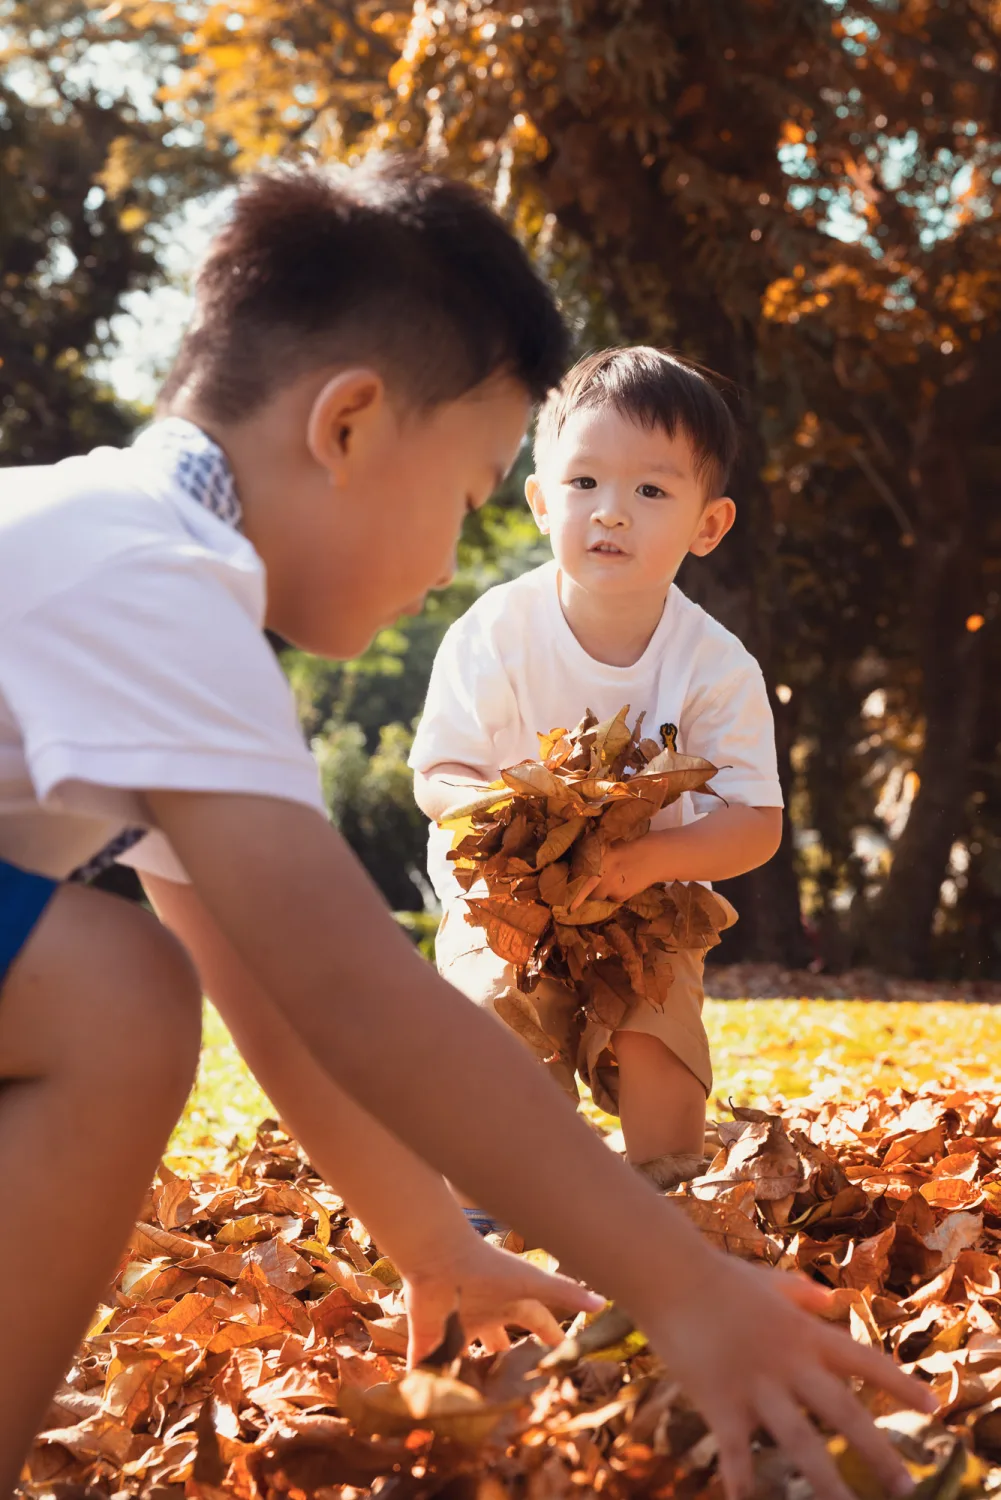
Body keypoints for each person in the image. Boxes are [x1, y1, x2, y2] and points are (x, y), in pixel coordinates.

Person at [0, 160, 931, 1500]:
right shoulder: (158, 579)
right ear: (350, 426)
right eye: (473, 491)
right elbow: (358, 992)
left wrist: (427, 1234)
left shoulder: (125, 553)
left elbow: (269, 987)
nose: (453, 562)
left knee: (126, 980)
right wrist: (681, 1286)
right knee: (116, 994)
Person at [412, 347, 779, 1200]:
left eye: (650, 491)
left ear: (708, 525)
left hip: (644, 900)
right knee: (495, 1025)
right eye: (584, 484)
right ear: (541, 501)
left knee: (656, 1040)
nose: (611, 512)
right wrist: (504, 825)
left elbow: (754, 820)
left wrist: (640, 862)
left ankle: (665, 1195)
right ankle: (493, 1204)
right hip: (502, 891)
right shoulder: (495, 630)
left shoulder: (713, 666)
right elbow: (440, 772)